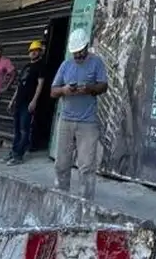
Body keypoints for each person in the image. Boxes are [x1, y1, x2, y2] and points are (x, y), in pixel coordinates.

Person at [51, 29, 108, 198]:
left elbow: (103, 86)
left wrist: (90, 88)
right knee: (61, 163)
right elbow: (53, 91)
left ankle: (85, 202)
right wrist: (64, 90)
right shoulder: (65, 65)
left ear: (86, 47)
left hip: (87, 122)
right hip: (66, 120)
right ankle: (60, 197)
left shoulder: (97, 63)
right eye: (75, 52)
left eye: (80, 52)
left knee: (86, 166)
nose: (77, 55)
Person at [6, 40, 46, 165]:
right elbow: (19, 85)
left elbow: (40, 85)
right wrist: (12, 100)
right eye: (31, 51)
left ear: (40, 52)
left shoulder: (41, 66)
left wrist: (34, 101)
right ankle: (14, 152)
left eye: (36, 51)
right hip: (19, 101)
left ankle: (18, 156)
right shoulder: (26, 67)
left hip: (28, 102)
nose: (33, 53)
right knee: (17, 130)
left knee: (24, 129)